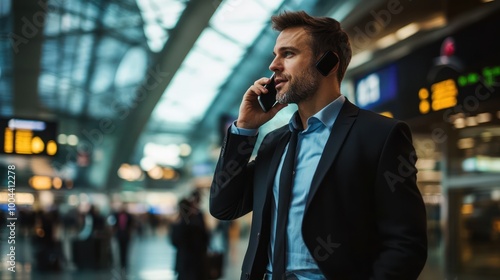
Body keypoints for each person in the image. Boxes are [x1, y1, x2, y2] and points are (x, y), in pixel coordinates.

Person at [209, 10, 427, 280]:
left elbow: (406, 244)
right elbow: (224, 207)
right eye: (275, 55)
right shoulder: (275, 142)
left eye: (288, 54)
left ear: (328, 63)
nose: (274, 65)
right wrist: (245, 128)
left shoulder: (380, 136)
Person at [171, 191, 210, 280]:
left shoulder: (178, 225)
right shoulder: (196, 223)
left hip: (183, 261)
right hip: (197, 262)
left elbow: (174, 242)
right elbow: (205, 239)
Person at [112, 204, 134, 270]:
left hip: (126, 234)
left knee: (126, 249)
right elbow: (114, 225)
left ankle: (125, 262)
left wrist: (130, 233)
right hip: (119, 234)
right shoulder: (116, 215)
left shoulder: (129, 216)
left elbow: (131, 225)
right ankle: (121, 262)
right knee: (120, 248)